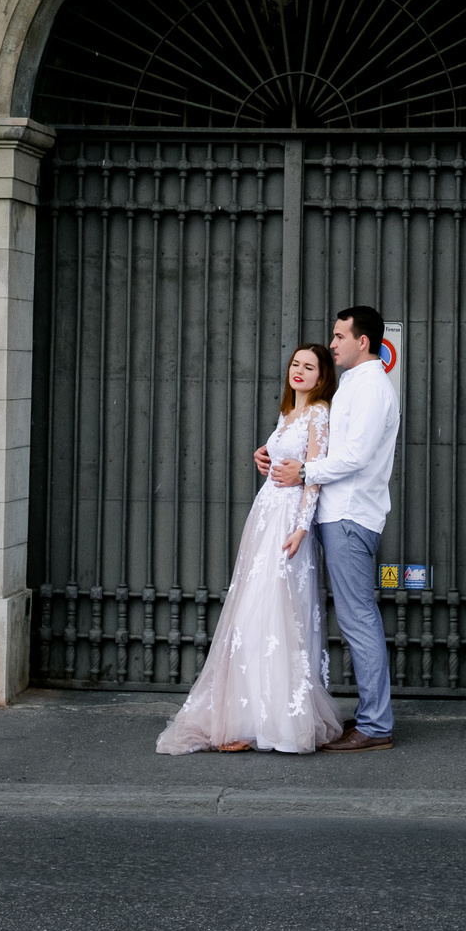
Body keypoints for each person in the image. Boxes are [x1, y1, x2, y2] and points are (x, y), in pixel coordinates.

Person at [155, 344, 344, 755]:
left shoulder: (318, 414)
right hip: (265, 514)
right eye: (296, 364)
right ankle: (247, 717)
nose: (299, 371)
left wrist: (301, 528)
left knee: (277, 613)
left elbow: (313, 475)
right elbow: (283, 458)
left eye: (309, 367)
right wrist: (265, 453)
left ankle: (280, 720)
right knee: (250, 614)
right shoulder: (287, 413)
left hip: (287, 520)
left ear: (322, 376)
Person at [261, 304, 399, 751]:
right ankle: (370, 717)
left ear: (363, 341)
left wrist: (304, 472)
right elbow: (322, 443)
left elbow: (355, 456)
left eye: (340, 336)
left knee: (358, 619)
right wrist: (276, 454)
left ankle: (375, 726)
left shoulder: (372, 387)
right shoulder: (353, 384)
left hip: (350, 516)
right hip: (335, 514)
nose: (333, 342)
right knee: (354, 617)